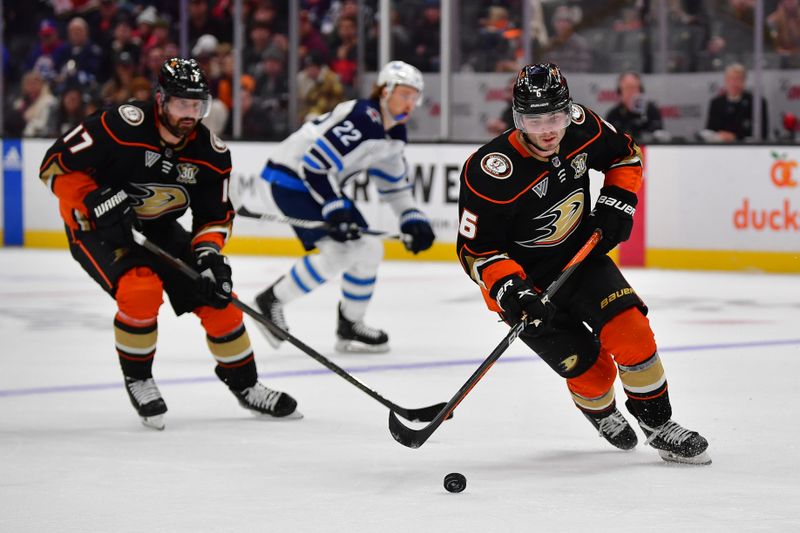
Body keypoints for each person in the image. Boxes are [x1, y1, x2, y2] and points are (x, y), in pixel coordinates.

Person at [456, 63, 710, 465]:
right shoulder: (489, 172)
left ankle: (659, 426)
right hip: (527, 287)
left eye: (555, 116)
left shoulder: (581, 126)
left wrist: (616, 202)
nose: (548, 130)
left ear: (568, 109)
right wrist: (512, 291)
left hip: (580, 258)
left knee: (633, 333)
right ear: (517, 118)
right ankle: (601, 411)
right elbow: (476, 252)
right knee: (593, 373)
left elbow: (626, 156)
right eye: (533, 120)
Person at [38, 58, 300, 430]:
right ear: (160, 100)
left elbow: (214, 216)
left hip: (155, 227)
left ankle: (247, 385)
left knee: (220, 300)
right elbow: (53, 165)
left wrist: (209, 256)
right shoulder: (119, 125)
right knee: (140, 289)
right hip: (95, 225)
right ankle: (139, 377)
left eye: (197, 105)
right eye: (182, 104)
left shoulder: (211, 153)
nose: (190, 114)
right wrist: (93, 198)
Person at [250, 60, 435, 353]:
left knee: (370, 249)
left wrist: (412, 218)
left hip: (317, 182)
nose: (409, 102)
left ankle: (350, 323)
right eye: (404, 93)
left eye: (414, 96)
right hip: (288, 179)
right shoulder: (364, 117)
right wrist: (335, 207)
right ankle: (269, 301)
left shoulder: (394, 132)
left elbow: (394, 184)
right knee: (343, 251)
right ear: (384, 91)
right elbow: (314, 165)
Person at [701, 63, 768, 142]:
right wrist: (719, 136)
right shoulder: (716, 103)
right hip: (720, 149)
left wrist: (735, 137)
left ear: (744, 81)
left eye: (738, 79)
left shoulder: (757, 103)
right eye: (731, 79)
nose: (734, 83)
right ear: (725, 81)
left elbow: (762, 133)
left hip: (748, 149)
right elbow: (710, 130)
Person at [605, 71, 669, 144]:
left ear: (640, 90)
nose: (630, 92)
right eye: (627, 88)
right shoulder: (613, 115)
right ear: (620, 92)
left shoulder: (651, 111)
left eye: (633, 88)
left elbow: (659, 135)